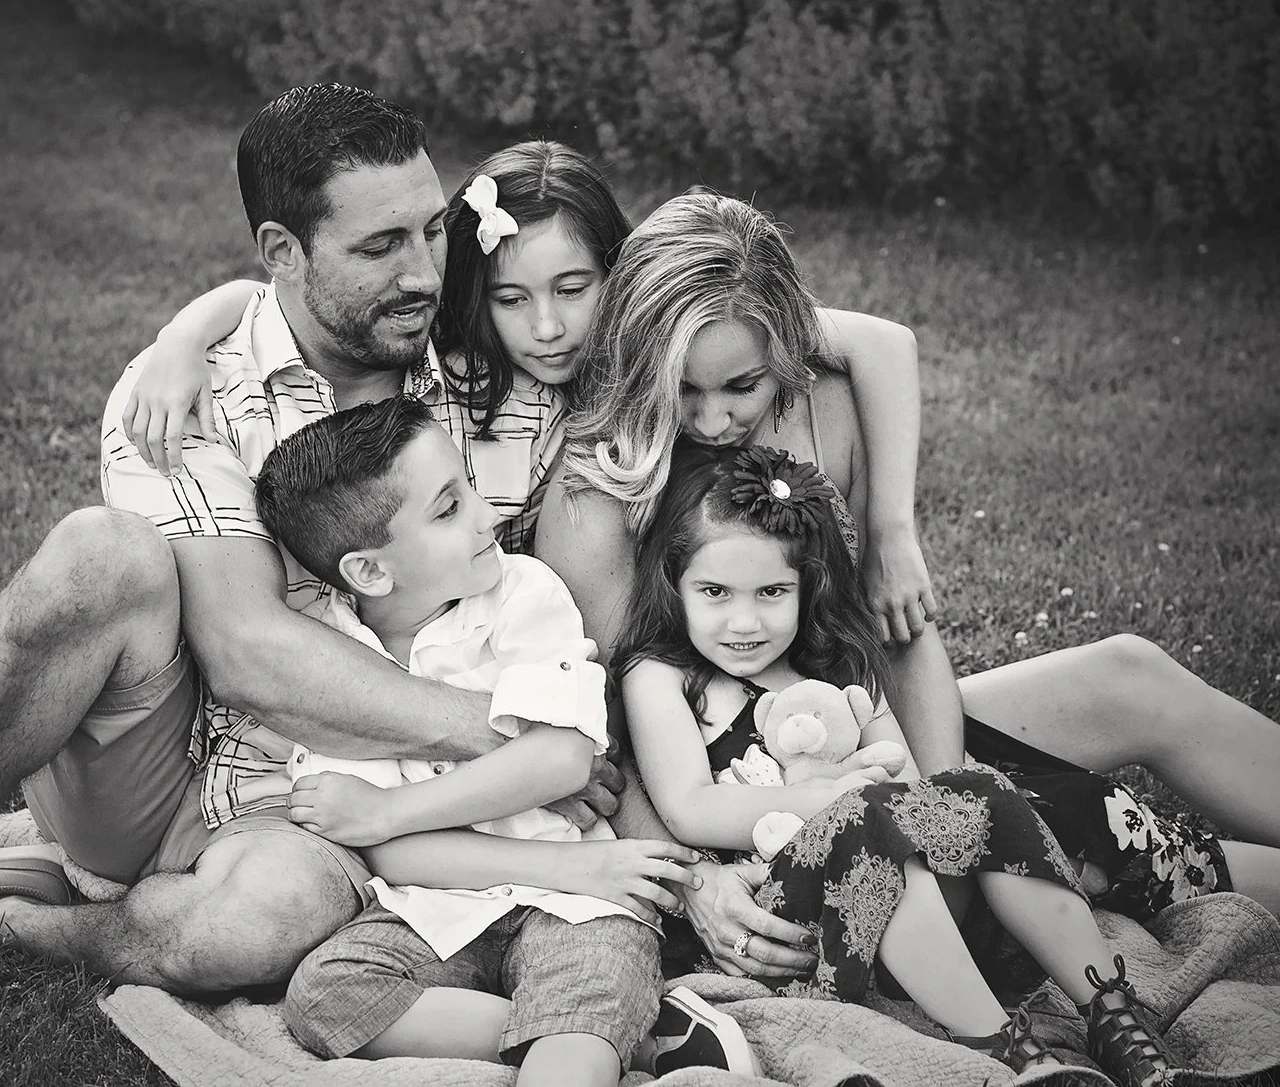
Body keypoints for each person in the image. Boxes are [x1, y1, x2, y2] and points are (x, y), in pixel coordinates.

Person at [0, 84, 712, 1060]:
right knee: (101, 553)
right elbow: (246, 650)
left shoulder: (462, 344)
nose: (424, 272)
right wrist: (522, 733)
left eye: (432, 232)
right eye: (380, 246)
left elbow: (670, 302)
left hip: (330, 792)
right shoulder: (190, 391)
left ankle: (13, 910)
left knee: (256, 928)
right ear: (281, 251)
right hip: (163, 751)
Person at [536, 189, 1280, 976]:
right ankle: (1132, 870)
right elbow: (603, 732)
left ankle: (1065, 853)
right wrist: (695, 883)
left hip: (864, 743)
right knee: (1091, 837)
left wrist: (941, 798)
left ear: (785, 353)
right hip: (737, 813)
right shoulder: (597, 494)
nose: (716, 420)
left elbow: (891, 630)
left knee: (1129, 674)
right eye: (683, 391)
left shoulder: (822, 413)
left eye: (742, 388)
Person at [123, 139, 935, 642]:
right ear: (480, 298)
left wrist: (893, 530)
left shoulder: (668, 327)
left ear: (618, 275)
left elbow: (878, 342)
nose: (548, 328)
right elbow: (274, 299)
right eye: (512, 300)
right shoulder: (462, 352)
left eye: (574, 288)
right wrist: (185, 336)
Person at [618, 441, 1183, 1086]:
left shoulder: (839, 666)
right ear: (675, 585)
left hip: (918, 905)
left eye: (772, 591)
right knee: (866, 817)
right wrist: (830, 799)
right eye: (714, 592)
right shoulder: (663, 677)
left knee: (973, 788)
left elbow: (911, 789)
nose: (742, 620)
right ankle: (1005, 1048)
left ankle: (1112, 1016)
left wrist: (874, 796)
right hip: (786, 918)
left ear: (809, 587)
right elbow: (690, 808)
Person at [246, 395, 746, 1082]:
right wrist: (392, 831)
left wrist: (387, 810)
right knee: (324, 995)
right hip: (443, 909)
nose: (489, 517)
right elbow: (399, 860)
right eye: (449, 509)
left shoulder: (522, 594)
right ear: (368, 571)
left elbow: (562, 757)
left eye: (470, 490)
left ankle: (582, 1032)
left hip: (585, 903)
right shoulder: (335, 659)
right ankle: (637, 1036)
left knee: (580, 1009)